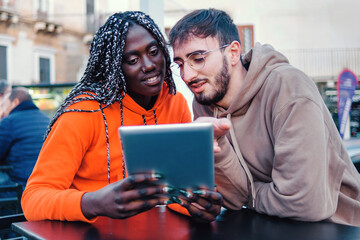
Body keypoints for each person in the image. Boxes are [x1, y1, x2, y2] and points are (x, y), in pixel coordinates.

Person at [21, 11, 222, 223]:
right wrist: (92, 203)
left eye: (154, 51)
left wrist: (196, 206)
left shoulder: (175, 102)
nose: (149, 65)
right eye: (133, 59)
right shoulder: (83, 113)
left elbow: (175, 191)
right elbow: (33, 199)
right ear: (114, 67)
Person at [169, 8, 360, 226]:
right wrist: (218, 146)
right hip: (268, 225)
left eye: (198, 58)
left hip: (340, 227)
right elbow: (233, 198)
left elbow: (304, 203)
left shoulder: (288, 87)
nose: (187, 75)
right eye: (181, 64)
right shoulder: (204, 102)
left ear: (233, 53)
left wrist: (250, 195)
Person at [0, 87, 50, 187]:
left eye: (5, 105)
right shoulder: (47, 119)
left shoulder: (9, 122)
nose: (4, 109)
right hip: (47, 183)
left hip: (21, 185)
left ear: (15, 102)